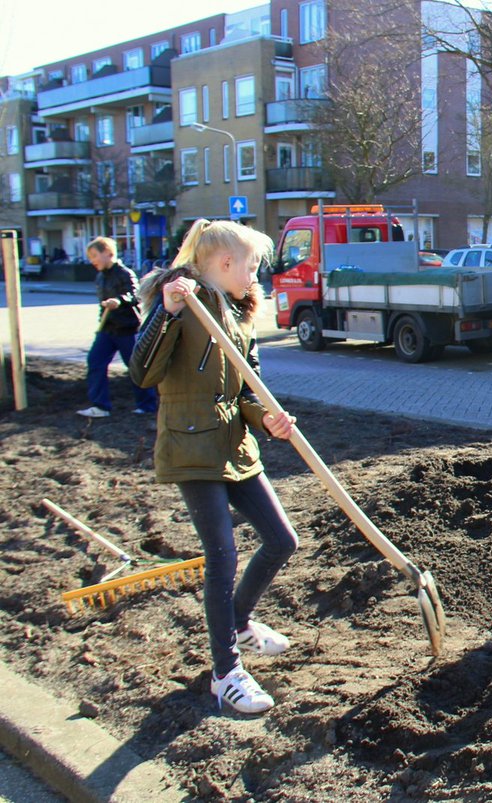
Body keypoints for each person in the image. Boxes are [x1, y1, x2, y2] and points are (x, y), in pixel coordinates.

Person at [130, 219, 299, 715]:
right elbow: (143, 373)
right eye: (252, 267)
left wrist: (267, 419)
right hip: (191, 451)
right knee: (222, 554)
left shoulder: (241, 314)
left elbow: (248, 389)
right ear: (226, 263)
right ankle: (225, 673)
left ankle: (239, 624)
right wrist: (165, 313)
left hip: (236, 449)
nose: (256, 278)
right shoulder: (180, 306)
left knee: (282, 540)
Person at [77, 237, 159, 419]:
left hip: (127, 329)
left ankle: (146, 406)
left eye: (94, 255)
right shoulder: (100, 277)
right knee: (95, 362)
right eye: (90, 257)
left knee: (136, 367)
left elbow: (136, 295)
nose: (92, 261)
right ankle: (100, 406)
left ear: (108, 253)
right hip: (107, 329)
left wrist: (119, 301)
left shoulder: (125, 273)